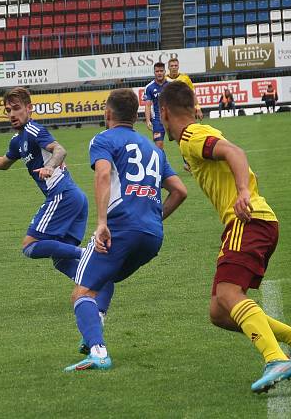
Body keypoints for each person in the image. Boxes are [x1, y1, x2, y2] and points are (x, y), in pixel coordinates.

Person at [159, 80, 291, 393]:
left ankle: (275, 357)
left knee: (229, 294)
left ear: (164, 111)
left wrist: (243, 192)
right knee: (219, 312)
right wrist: (244, 185)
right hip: (257, 221)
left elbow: (235, 152)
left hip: (246, 221)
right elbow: (241, 163)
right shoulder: (196, 136)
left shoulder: (193, 135)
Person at [64, 88, 187, 372]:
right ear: (135, 116)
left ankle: (98, 352)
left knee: (81, 293)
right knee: (106, 277)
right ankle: (96, 327)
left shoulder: (103, 140)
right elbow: (180, 191)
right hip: (152, 237)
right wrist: (154, 219)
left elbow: (103, 174)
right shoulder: (154, 151)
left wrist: (101, 223)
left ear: (107, 113)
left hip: (120, 227)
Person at [0, 87, 89, 283]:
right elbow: (2, 163)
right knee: (61, 261)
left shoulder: (34, 130)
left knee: (30, 246)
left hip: (62, 196)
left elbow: (59, 150)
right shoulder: (17, 140)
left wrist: (49, 166)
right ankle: (94, 289)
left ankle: (88, 253)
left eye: (16, 108)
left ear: (29, 108)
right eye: (8, 110)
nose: (12, 114)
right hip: (73, 198)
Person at [143, 62, 169, 150]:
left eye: (161, 71)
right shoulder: (149, 87)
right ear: (154, 73)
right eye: (157, 71)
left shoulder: (171, 85)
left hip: (171, 118)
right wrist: (148, 120)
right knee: (159, 144)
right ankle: (161, 163)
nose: (159, 73)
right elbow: (147, 105)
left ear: (165, 71)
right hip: (157, 120)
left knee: (181, 141)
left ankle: (187, 163)